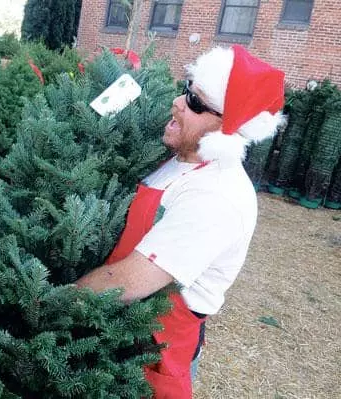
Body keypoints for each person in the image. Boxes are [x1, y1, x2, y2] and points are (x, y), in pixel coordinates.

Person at [76, 45, 285, 398]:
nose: (177, 102)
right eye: (186, 89)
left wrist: (53, 300)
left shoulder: (215, 196)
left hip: (154, 348)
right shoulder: (180, 157)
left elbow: (128, 282)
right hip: (118, 333)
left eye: (195, 101)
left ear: (227, 127)